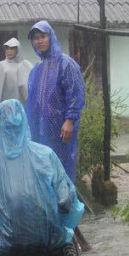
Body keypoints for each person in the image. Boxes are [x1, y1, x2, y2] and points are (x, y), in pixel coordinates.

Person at [0, 99, 84, 256]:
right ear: (24, 123)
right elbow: (67, 202)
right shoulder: (45, 154)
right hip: (49, 242)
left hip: (6, 245)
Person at [25, 20, 85, 179]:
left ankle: (65, 202)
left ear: (51, 36)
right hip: (39, 129)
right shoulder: (36, 70)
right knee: (43, 169)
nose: (39, 41)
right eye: (35, 38)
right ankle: (48, 202)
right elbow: (32, 102)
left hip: (60, 129)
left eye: (43, 36)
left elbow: (75, 92)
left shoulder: (65, 63)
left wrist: (69, 120)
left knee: (61, 167)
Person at [0, 37, 33, 142]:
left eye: (12, 48)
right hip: (6, 108)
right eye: (7, 48)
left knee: (21, 136)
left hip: (21, 107)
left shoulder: (25, 64)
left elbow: (30, 87)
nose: (9, 51)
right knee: (6, 137)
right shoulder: (2, 66)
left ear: (17, 50)